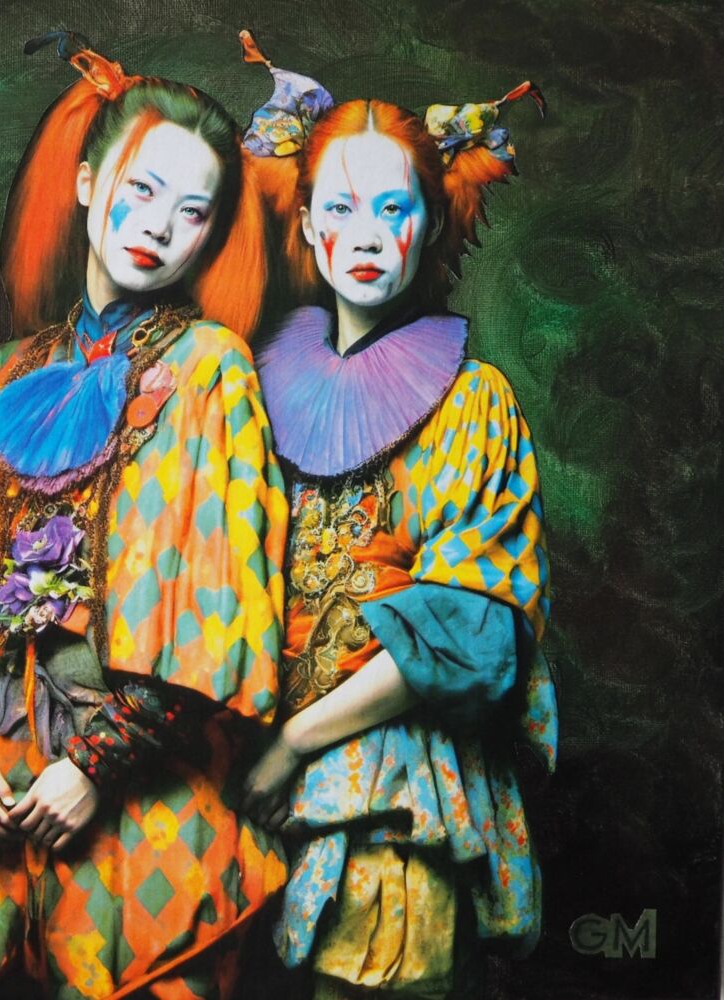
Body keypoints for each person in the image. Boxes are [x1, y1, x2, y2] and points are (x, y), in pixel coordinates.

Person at [0, 32, 288, 1000]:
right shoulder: (7, 370)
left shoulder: (210, 367)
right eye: (140, 189)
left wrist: (98, 764)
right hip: (1, 770)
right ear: (85, 182)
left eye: (192, 210)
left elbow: (221, 597)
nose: (158, 225)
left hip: (146, 789)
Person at [237, 32, 557, 999]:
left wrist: (296, 741)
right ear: (305, 223)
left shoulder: (472, 402)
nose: (367, 235)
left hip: (395, 787)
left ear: (429, 222)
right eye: (339, 207)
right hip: (247, 791)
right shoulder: (244, 386)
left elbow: (472, 629)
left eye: (393, 207)